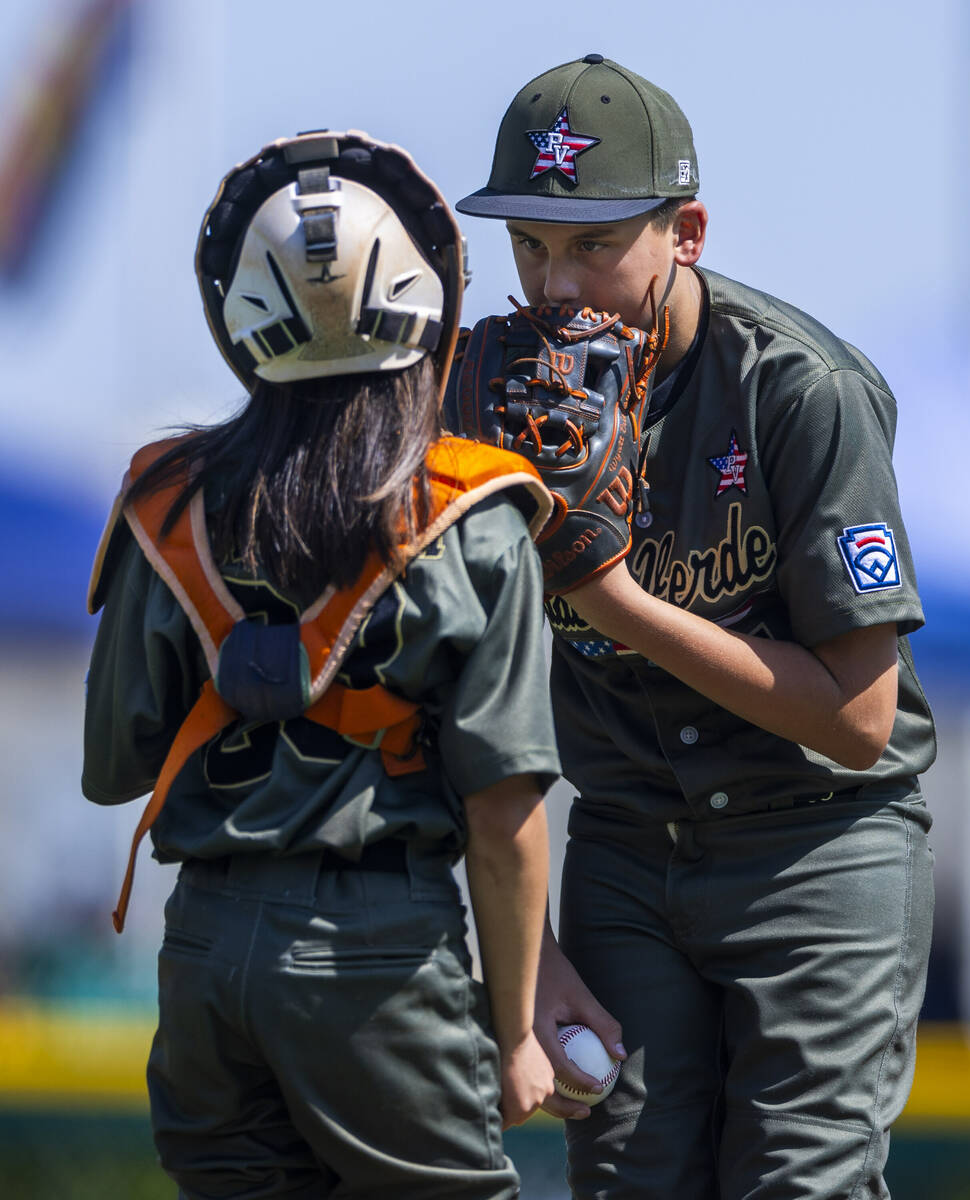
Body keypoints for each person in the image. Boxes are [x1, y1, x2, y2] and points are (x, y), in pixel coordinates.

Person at [451, 56, 936, 1200]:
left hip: (817, 842)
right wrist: (530, 960)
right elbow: (446, 711)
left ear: (688, 230)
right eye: (527, 243)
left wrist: (614, 603)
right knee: (628, 1185)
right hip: (625, 847)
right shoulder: (486, 402)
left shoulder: (797, 389)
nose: (553, 280)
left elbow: (859, 722)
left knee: (795, 1185)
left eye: (592, 242)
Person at [82, 129, 562, 1199]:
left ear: (241, 319)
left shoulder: (163, 502)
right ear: (424, 301)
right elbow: (505, 814)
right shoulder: (475, 517)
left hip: (205, 952)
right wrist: (518, 1027)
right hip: (374, 956)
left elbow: (116, 766)